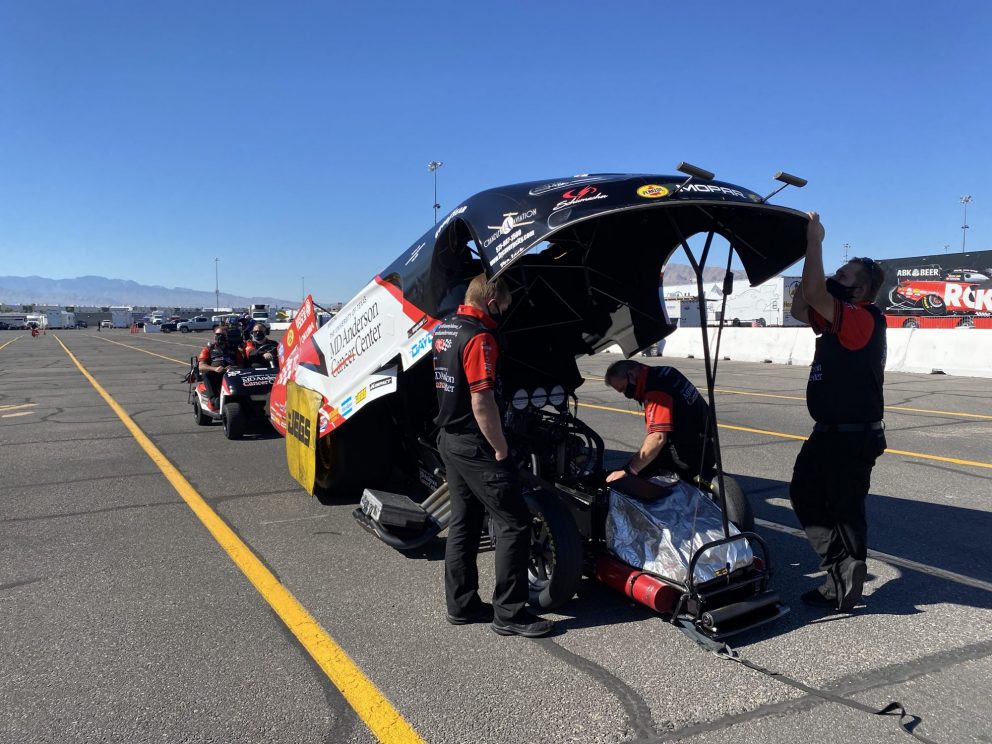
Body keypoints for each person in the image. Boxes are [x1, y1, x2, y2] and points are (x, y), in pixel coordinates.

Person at [433, 273, 553, 638]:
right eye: (504, 304)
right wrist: (500, 447)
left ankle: (462, 604)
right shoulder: (480, 338)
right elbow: (482, 400)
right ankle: (511, 614)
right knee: (513, 523)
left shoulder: (446, 328)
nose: (505, 310)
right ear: (490, 301)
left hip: (449, 438)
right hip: (476, 443)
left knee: (465, 521)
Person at [789, 212, 887, 612]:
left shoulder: (862, 318)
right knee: (804, 494)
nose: (834, 279)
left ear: (861, 290)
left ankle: (844, 575)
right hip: (829, 431)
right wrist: (806, 255)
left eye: (843, 277)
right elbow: (800, 306)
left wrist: (815, 242)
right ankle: (844, 568)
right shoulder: (835, 318)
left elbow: (813, 295)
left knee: (845, 508)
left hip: (853, 433)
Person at [603, 360, 715, 485]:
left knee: (637, 473)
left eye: (623, 389)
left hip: (690, 456)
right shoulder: (667, 371)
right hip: (709, 443)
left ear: (632, 375)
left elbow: (658, 437)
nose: (626, 394)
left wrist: (628, 471)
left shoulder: (655, 390)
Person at [197, 324, 245, 409]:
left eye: (222, 335)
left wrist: (234, 368)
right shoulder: (208, 349)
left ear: (226, 336)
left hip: (232, 373)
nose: (220, 337)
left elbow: (241, 364)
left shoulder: (234, 349)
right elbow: (201, 366)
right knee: (206, 374)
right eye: (217, 335)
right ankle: (214, 400)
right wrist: (214, 369)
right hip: (215, 374)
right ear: (214, 335)